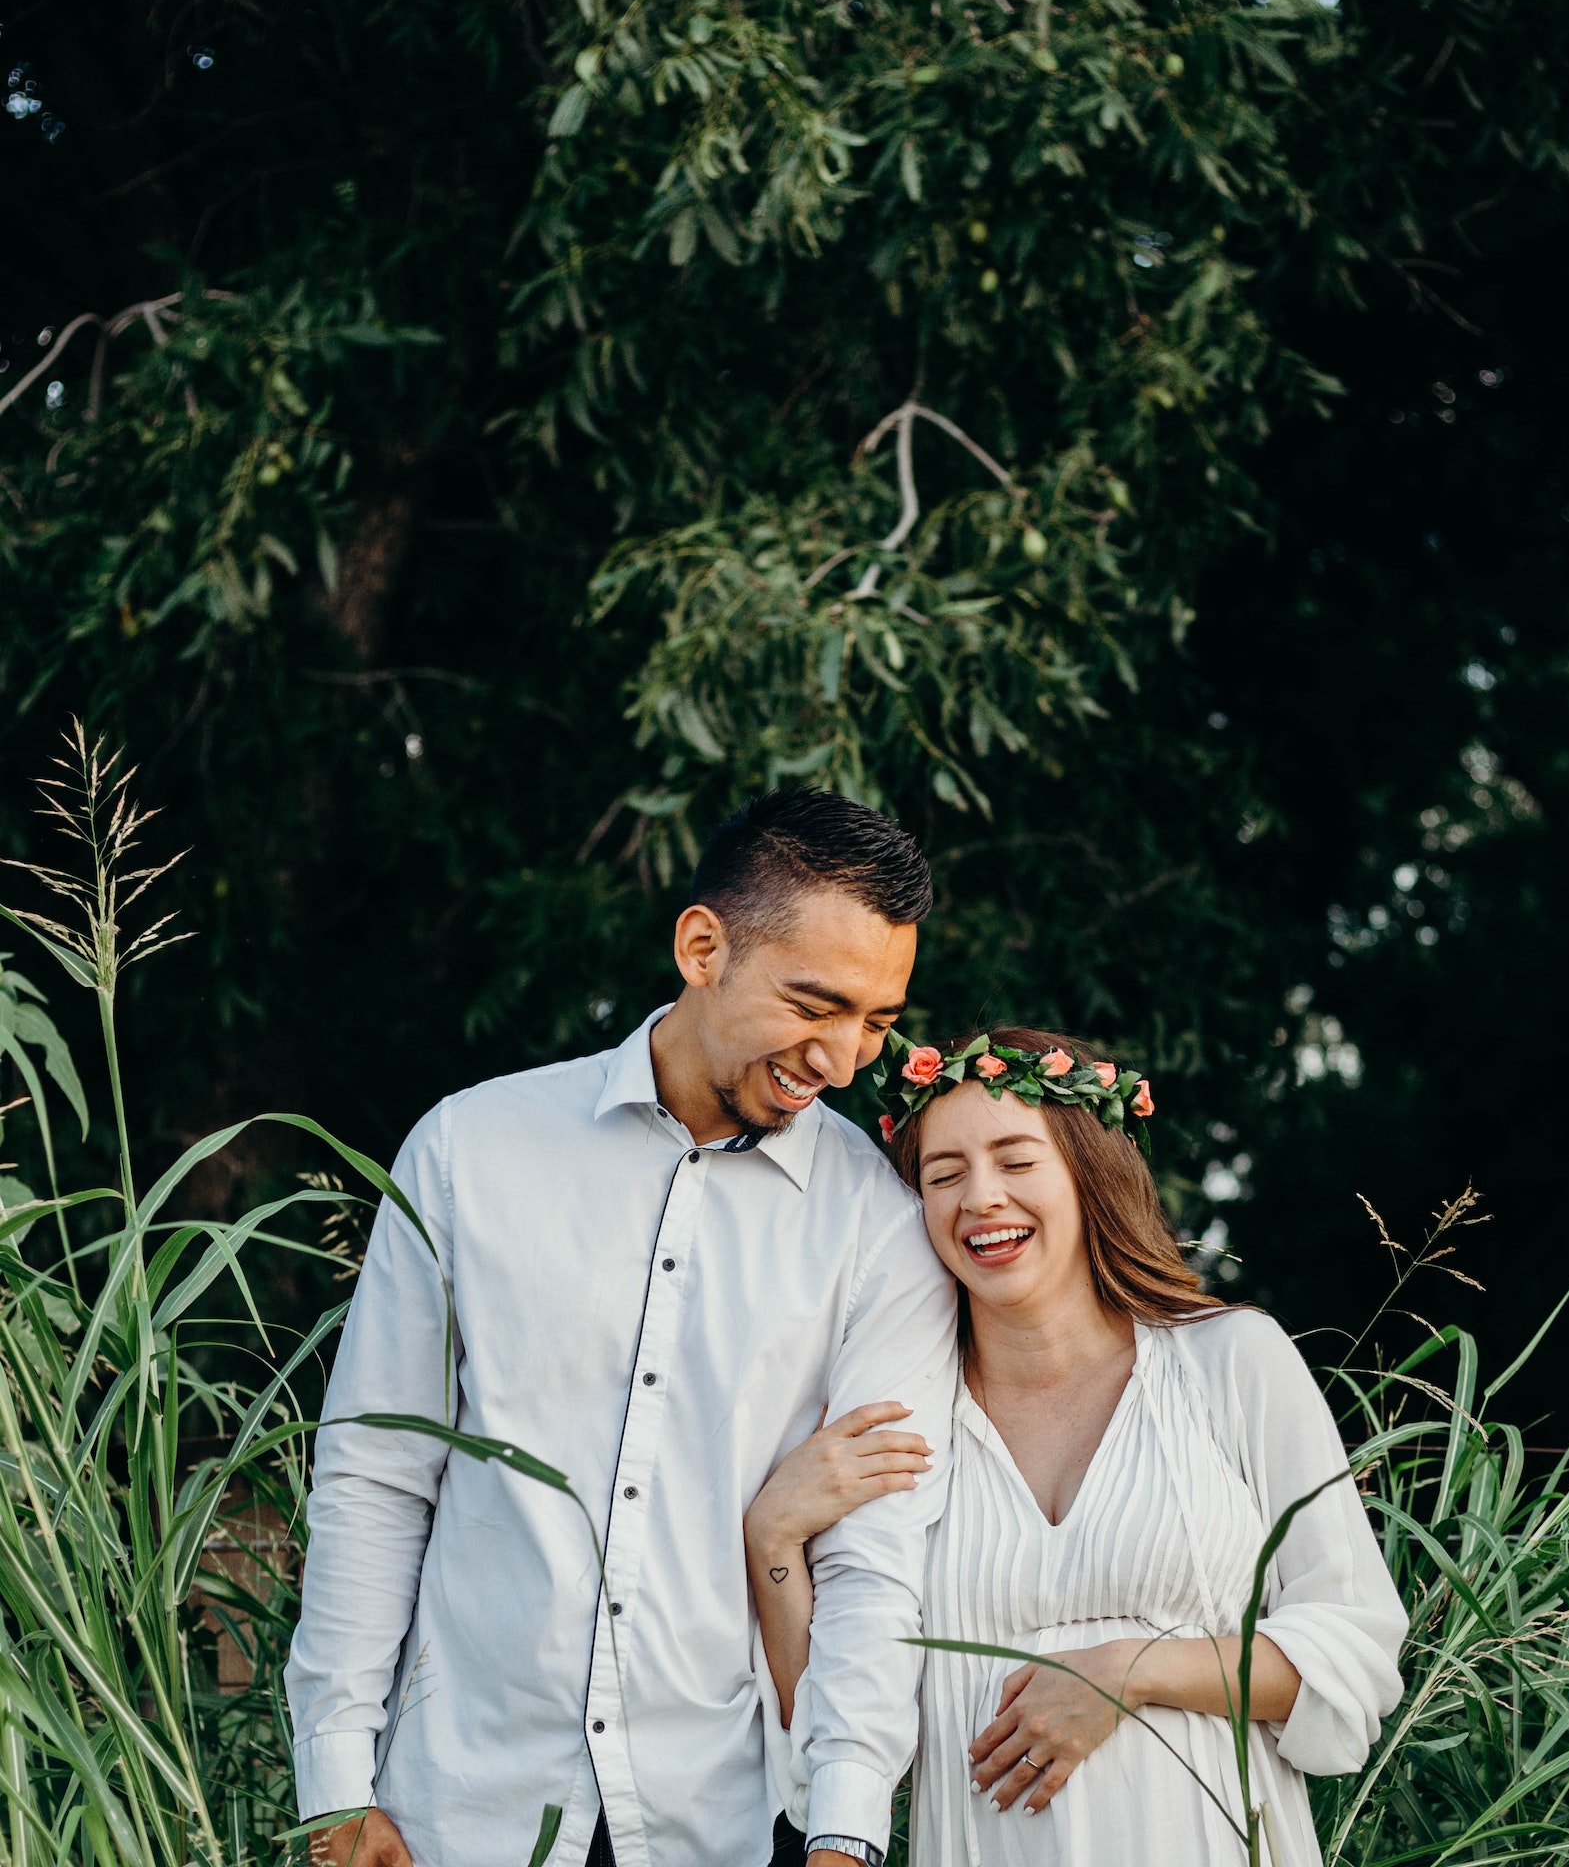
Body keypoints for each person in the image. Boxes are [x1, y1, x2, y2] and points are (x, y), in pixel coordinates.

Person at [285, 789, 959, 1867]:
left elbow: (876, 1557)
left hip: (720, 1823)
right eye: (814, 1004)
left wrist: (845, 1826)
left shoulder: (880, 1227)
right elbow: (376, 1473)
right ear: (703, 947)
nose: (841, 1059)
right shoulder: (468, 1151)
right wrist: (335, 1782)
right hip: (460, 1812)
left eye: (876, 1022)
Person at [746, 1028, 1409, 1866]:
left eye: (1017, 1161)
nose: (981, 1197)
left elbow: (1354, 1654)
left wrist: (1130, 1671)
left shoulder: (1230, 1361)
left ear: (1088, 1174)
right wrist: (773, 1541)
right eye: (943, 1176)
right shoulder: (903, 1423)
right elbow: (833, 1729)